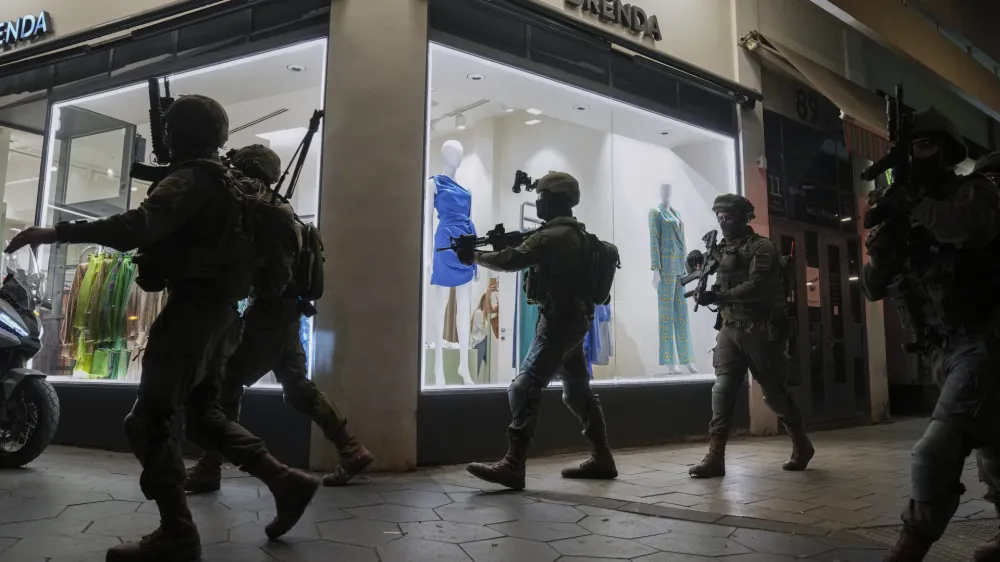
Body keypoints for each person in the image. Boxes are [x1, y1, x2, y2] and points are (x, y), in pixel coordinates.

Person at [5, 96, 319, 562]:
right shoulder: (227, 182)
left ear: (184, 134)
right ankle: (285, 481)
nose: (164, 139)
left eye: (169, 130)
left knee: (148, 420)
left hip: (193, 313)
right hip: (223, 314)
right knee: (206, 415)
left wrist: (55, 232)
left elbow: (137, 227)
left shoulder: (193, 178)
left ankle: (177, 531)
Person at [185, 144, 373, 493]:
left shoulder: (261, 210)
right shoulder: (283, 211)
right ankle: (352, 448)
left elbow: (262, 272)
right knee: (297, 389)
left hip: (268, 313)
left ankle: (210, 466)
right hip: (287, 315)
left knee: (226, 385)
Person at [860, 110, 1000, 562]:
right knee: (994, 444)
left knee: (934, 451)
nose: (918, 156)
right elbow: (872, 288)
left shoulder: (973, 191)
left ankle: (911, 546)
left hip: (985, 340)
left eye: (925, 145)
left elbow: (970, 227)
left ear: (947, 148)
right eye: (910, 148)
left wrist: (914, 207)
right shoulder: (906, 210)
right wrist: (884, 252)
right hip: (941, 350)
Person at [456, 172, 617, 490]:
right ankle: (602, 458)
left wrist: (474, 256)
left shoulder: (555, 236)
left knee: (523, 386)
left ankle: (513, 465)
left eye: (541, 197)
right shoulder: (573, 234)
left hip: (558, 323)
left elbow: (513, 259)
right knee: (577, 391)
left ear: (555, 199)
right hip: (573, 319)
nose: (538, 201)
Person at [688, 194, 813, 479]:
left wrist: (718, 296)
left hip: (761, 331)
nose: (722, 221)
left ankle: (801, 443)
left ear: (744, 217)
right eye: (718, 215)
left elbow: (756, 286)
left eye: (728, 216)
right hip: (730, 329)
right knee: (722, 391)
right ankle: (715, 456)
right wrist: (694, 267)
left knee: (774, 395)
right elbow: (706, 273)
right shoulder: (720, 249)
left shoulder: (762, 248)